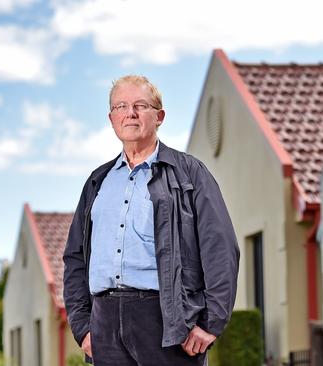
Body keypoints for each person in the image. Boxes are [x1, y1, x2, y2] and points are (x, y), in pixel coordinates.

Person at [63, 75, 240, 366]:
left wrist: (210, 322)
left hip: (167, 321)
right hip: (105, 323)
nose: (129, 113)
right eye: (121, 106)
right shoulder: (97, 182)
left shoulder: (189, 174)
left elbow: (220, 249)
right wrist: (83, 327)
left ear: (159, 116)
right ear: (111, 118)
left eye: (139, 105)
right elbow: (75, 258)